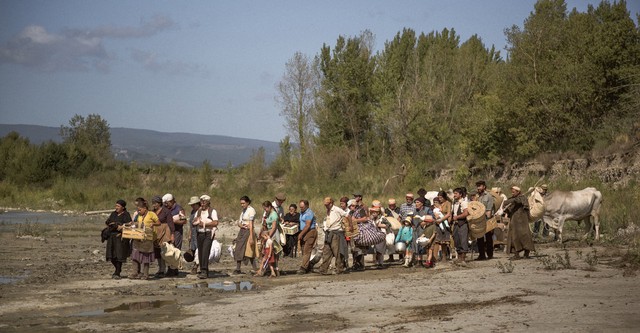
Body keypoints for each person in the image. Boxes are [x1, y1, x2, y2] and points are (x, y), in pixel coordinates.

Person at [317, 197, 348, 275]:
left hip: (336, 233)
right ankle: (323, 269)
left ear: (331, 203)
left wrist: (349, 226)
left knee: (337, 252)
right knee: (327, 251)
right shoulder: (328, 211)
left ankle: (339, 268)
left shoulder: (337, 209)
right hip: (329, 233)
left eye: (327, 205)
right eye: (325, 205)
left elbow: (347, 215)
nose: (326, 206)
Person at [503, 186, 535, 259]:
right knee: (514, 236)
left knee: (525, 235)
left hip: (522, 220)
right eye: (512, 192)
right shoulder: (512, 199)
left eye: (513, 192)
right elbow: (506, 204)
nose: (512, 193)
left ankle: (526, 253)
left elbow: (521, 202)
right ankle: (516, 254)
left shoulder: (522, 198)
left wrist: (515, 200)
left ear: (518, 192)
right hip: (514, 220)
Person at [129, 200, 158, 280]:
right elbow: (134, 222)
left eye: (140, 210)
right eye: (138, 210)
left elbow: (159, 222)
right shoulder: (138, 215)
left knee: (145, 257)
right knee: (135, 255)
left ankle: (145, 274)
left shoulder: (151, 214)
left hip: (147, 238)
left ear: (145, 208)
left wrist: (153, 224)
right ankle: (135, 273)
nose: (139, 211)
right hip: (138, 237)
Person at [192, 194, 219, 279]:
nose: (202, 204)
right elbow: (195, 220)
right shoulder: (199, 211)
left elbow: (215, 222)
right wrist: (196, 222)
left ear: (208, 203)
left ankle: (204, 270)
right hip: (200, 233)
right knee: (200, 252)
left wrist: (204, 224)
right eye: (201, 202)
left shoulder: (212, 211)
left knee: (205, 251)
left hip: (208, 233)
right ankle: (202, 269)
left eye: (204, 202)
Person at [104, 199, 131, 279]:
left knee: (118, 255)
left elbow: (128, 225)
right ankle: (117, 269)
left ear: (123, 207)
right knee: (111, 255)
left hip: (120, 237)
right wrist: (114, 225)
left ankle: (117, 271)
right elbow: (108, 221)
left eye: (118, 206)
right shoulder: (113, 214)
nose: (116, 207)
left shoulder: (126, 215)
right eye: (116, 206)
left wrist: (119, 226)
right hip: (111, 236)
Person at [234, 195, 258, 275]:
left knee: (249, 250)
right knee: (238, 248)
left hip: (248, 231)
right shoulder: (243, 211)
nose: (242, 205)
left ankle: (255, 268)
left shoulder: (251, 210)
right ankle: (238, 268)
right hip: (242, 230)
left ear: (247, 202)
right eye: (241, 203)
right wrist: (241, 225)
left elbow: (251, 224)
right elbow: (239, 222)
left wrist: (251, 236)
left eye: (243, 203)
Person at [163, 193, 186, 277]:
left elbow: (184, 221)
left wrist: (173, 221)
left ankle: (173, 269)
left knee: (175, 249)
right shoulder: (165, 209)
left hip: (177, 232)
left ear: (171, 201)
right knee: (168, 250)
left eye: (167, 203)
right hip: (168, 232)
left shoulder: (179, 209)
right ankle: (171, 268)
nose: (166, 205)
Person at [151, 196, 174, 278]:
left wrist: (172, 235)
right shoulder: (152, 212)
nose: (154, 205)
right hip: (155, 233)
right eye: (153, 203)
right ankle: (160, 268)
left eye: (155, 203)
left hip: (164, 232)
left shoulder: (166, 211)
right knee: (157, 251)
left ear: (159, 203)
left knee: (163, 251)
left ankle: (164, 269)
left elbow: (170, 223)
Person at [411, 197, 434, 267]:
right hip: (416, 230)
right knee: (416, 245)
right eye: (415, 202)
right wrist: (412, 225)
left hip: (424, 230)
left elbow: (432, 218)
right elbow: (411, 219)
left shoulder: (427, 210)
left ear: (422, 203)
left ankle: (429, 261)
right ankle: (419, 261)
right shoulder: (414, 211)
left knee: (425, 246)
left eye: (417, 202)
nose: (416, 204)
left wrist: (425, 222)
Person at [475, 180, 495, 260]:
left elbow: (489, 210)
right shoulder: (478, 196)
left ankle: (490, 254)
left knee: (488, 237)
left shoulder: (488, 196)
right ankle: (481, 254)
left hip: (487, 218)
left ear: (484, 186)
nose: (478, 188)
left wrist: (488, 218)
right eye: (477, 186)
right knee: (479, 237)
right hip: (479, 219)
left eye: (480, 186)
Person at [262, 201, 282, 276]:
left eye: (266, 208)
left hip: (273, 233)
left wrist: (268, 236)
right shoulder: (268, 214)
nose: (265, 210)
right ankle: (271, 269)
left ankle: (276, 268)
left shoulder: (274, 215)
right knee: (269, 251)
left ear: (270, 207)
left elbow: (273, 227)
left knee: (274, 251)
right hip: (269, 232)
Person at [297, 200, 317, 274]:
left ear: (307, 206)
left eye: (302, 207)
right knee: (303, 249)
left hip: (310, 232)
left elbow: (307, 225)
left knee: (307, 250)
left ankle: (303, 267)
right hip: (304, 232)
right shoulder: (302, 213)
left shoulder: (309, 213)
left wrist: (301, 234)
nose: (301, 208)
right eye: (300, 207)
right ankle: (308, 265)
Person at [451, 188, 470, 265]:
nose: (454, 195)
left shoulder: (464, 203)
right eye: (454, 193)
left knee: (463, 240)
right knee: (457, 240)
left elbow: (466, 213)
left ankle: (463, 259)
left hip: (462, 223)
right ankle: (459, 258)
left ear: (460, 194)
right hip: (456, 224)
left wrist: (457, 217)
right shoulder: (455, 203)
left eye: (456, 193)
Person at [434, 191, 453, 261]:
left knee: (445, 241)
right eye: (439, 198)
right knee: (440, 241)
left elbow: (448, 214)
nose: (440, 199)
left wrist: (441, 220)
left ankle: (445, 256)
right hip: (438, 222)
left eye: (441, 197)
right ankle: (441, 256)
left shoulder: (448, 203)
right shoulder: (439, 204)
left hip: (445, 222)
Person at [185, 196, 201, 274]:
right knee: (194, 249)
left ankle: (195, 266)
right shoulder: (192, 212)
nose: (192, 206)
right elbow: (191, 225)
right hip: (194, 233)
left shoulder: (201, 211)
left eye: (194, 204)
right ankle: (197, 264)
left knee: (199, 250)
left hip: (199, 233)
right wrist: (190, 234)